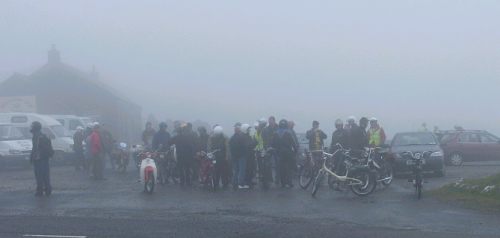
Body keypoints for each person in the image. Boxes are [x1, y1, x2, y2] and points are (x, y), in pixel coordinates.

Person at [30, 121, 54, 196]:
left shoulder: (36, 136)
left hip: (39, 159)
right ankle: (48, 189)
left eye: (32, 126)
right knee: (46, 175)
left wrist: (32, 157)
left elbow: (35, 148)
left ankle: (40, 190)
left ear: (35, 128)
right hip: (45, 158)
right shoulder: (43, 135)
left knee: (39, 175)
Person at [272, 119, 297, 188]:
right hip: (288, 152)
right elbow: (293, 142)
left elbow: (272, 143)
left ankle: (283, 183)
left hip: (279, 153)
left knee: (281, 168)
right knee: (289, 168)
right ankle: (289, 182)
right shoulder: (289, 132)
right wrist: (295, 150)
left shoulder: (275, 133)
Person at [229, 123, 250, 189]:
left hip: (234, 156)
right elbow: (245, 146)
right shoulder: (242, 137)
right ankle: (241, 184)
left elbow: (231, 147)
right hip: (242, 156)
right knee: (241, 170)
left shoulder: (232, 137)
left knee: (236, 170)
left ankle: (234, 183)